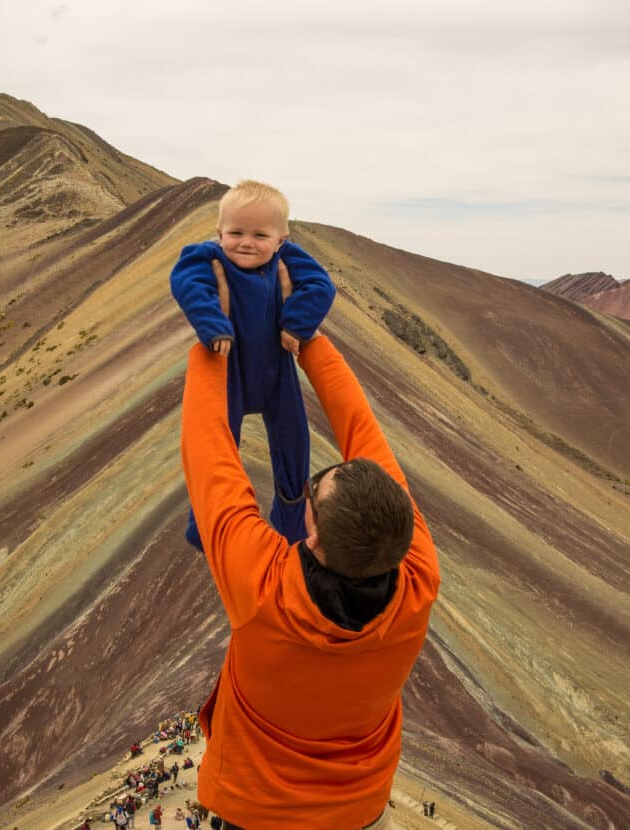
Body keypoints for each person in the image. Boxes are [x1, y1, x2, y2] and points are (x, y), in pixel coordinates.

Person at [179, 327, 441, 828]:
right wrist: (309, 340)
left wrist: (212, 337)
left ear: (313, 533)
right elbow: (364, 430)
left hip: (257, 811)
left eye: (314, 496)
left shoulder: (264, 590)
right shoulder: (418, 574)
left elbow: (208, 449)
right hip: (360, 809)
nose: (316, 480)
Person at [171, 180, 337, 551]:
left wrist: (296, 323)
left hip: (278, 373)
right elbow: (186, 284)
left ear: (282, 238)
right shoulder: (206, 257)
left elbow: (321, 286)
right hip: (229, 370)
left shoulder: (288, 258)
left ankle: (292, 527)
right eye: (236, 232)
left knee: (295, 446)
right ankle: (205, 525)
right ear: (219, 232)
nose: (246, 242)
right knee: (218, 449)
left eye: (260, 234)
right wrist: (214, 325)